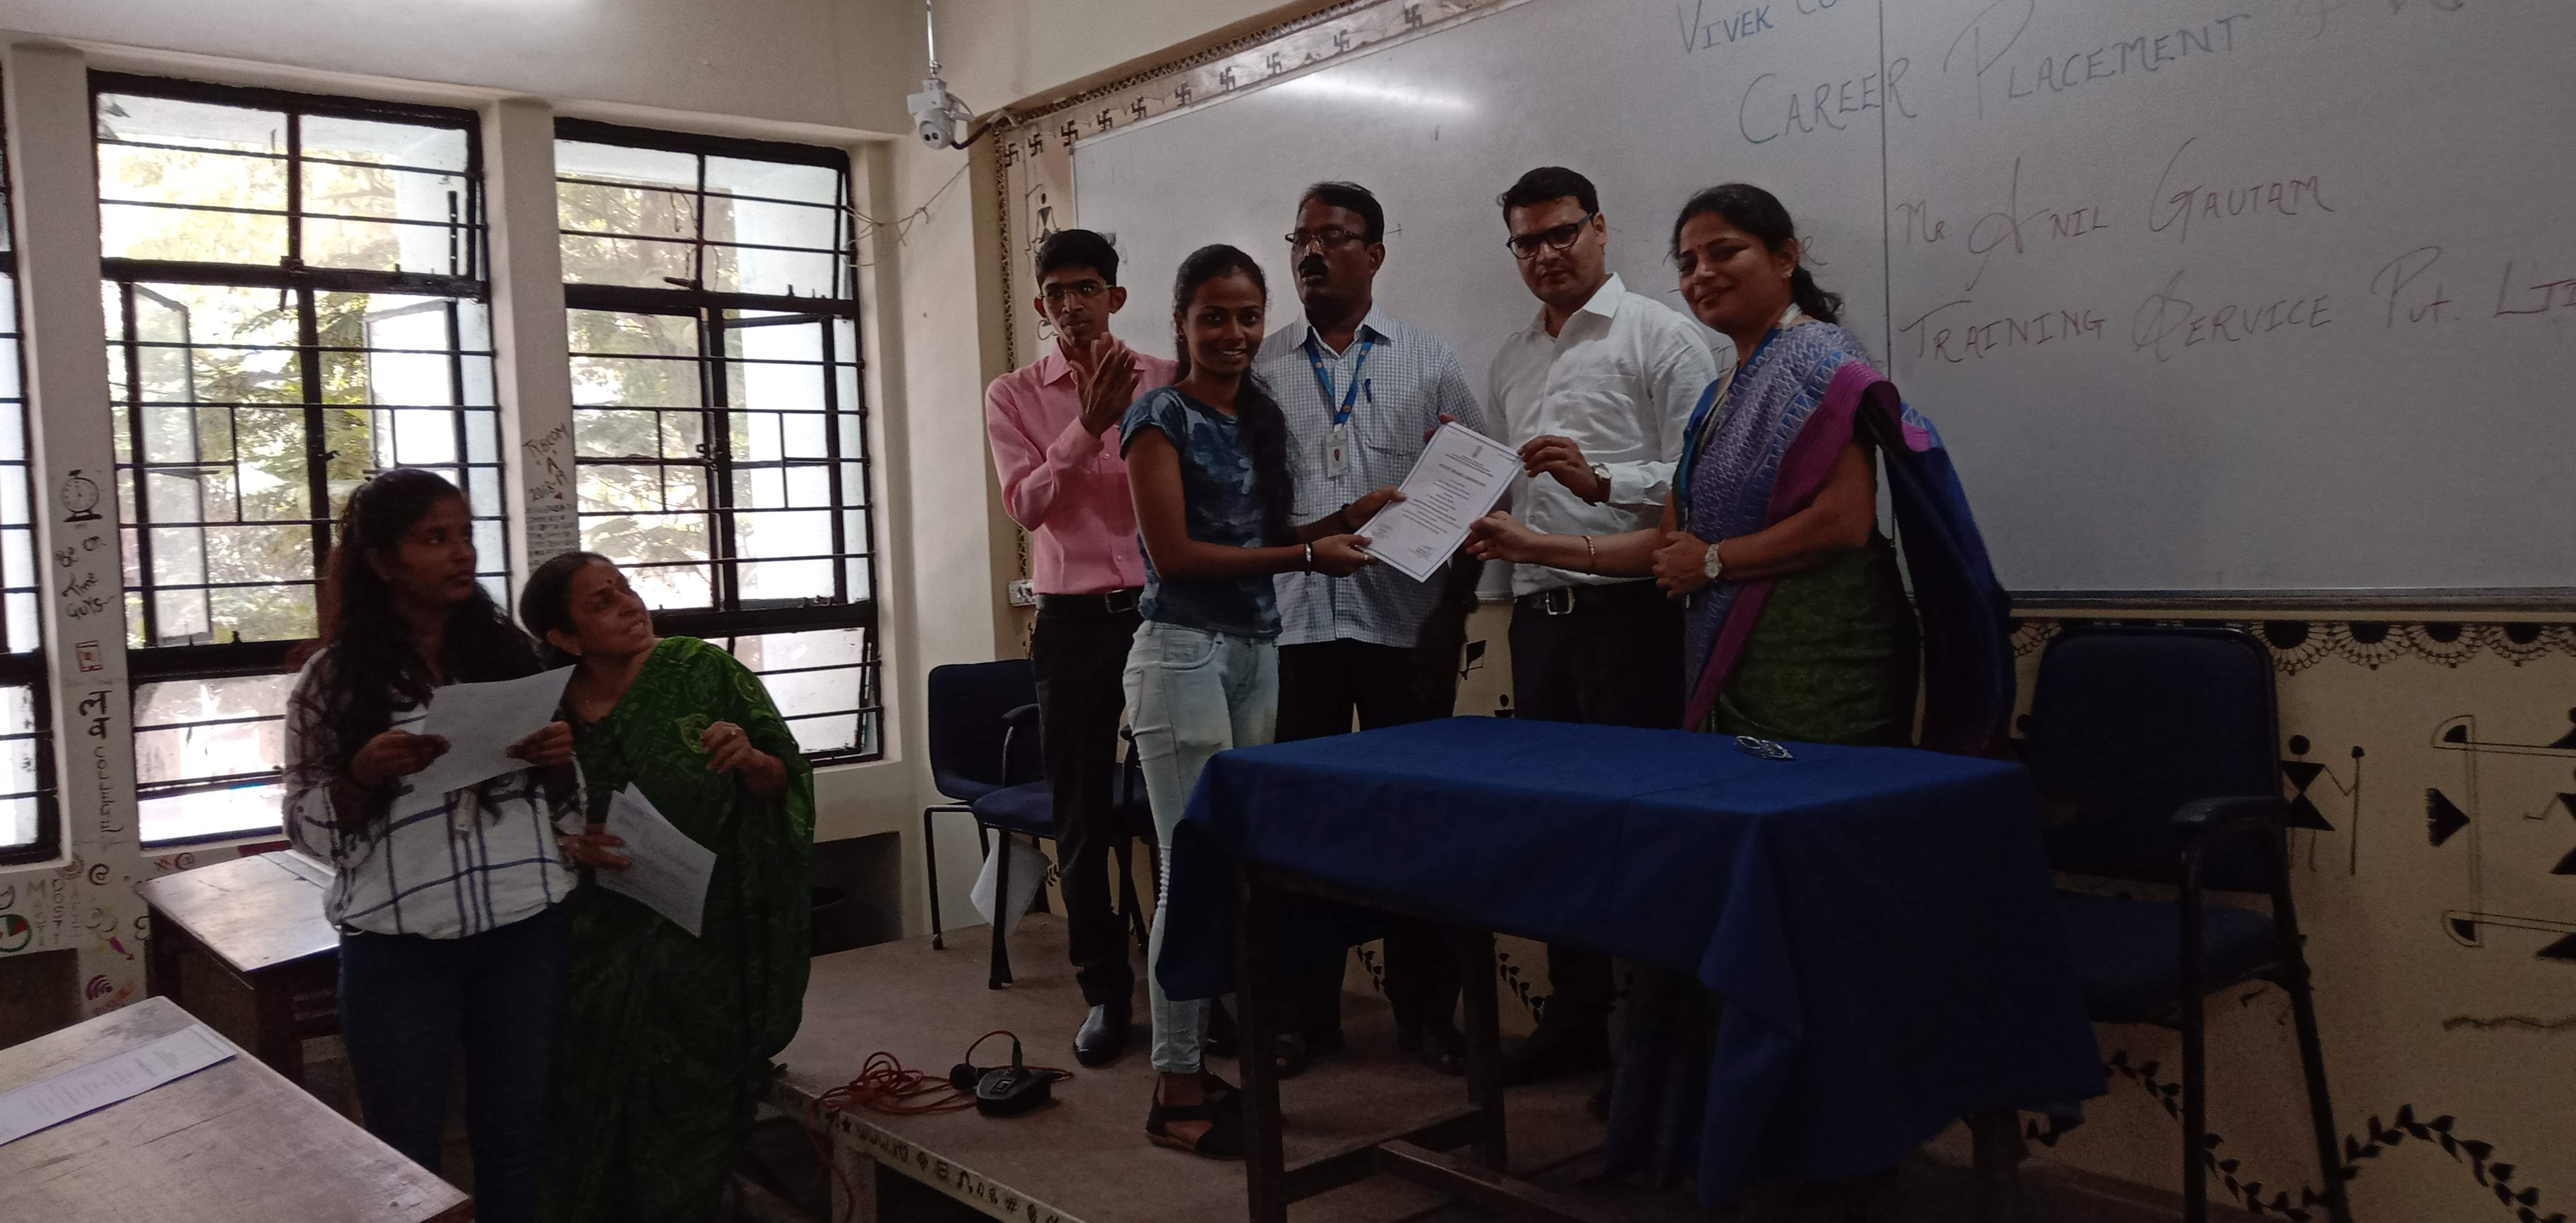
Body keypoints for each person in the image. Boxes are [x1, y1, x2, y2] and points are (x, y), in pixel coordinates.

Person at [1470, 182, 2012, 1187]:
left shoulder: (1818, 364)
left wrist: (1714, 564)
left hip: (1820, 665)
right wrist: (1534, 544)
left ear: (1785, 254)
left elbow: (1842, 523)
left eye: (1724, 252)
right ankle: (1740, 1129)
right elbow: (1665, 545)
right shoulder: (1727, 388)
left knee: (1806, 901)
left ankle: (1828, 1141)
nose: (1700, 274)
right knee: (1735, 901)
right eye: (1686, 260)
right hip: (1733, 663)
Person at [1123, 243, 1396, 1159]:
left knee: (1235, 868)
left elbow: (1261, 539)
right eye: (1214, 317)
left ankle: (1205, 1062)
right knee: (1186, 867)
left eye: (1248, 316)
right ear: (1181, 322)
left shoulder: (1258, 415)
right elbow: (1177, 556)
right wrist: (1310, 556)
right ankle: (1174, 1085)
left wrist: (1347, 519)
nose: (1234, 334)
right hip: (1181, 654)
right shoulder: (1158, 415)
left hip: (1254, 652)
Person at [282, 468, 579, 1223]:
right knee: (402, 1153)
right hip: (398, 946)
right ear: (382, 562)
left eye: (466, 535)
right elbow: (306, 830)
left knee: (515, 1136)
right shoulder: (331, 681)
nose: (462, 553)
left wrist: (555, 757)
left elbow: (567, 807)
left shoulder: (511, 656)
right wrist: (361, 774)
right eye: (435, 539)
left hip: (524, 925)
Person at [1484, 166, 1722, 1084]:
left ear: (1600, 229)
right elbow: (1515, 495)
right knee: (1557, 828)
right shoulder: (1511, 358)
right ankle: (1575, 1018)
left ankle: (1656, 1048)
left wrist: (1604, 480)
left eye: (1562, 233)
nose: (1545, 254)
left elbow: (1705, 482)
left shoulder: (1663, 336)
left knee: (1644, 828)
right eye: (1526, 242)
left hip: (1634, 615)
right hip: (1538, 617)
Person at [1254, 181, 1489, 1078]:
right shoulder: (1262, 367)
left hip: (1404, 631)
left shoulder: (1430, 363)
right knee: (1300, 830)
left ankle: (1427, 1017)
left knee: (1416, 827)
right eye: (1300, 238)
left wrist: (1453, 616)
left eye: (1334, 236)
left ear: (1376, 253)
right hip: (1293, 632)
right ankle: (1303, 1019)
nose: (1311, 253)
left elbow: (1479, 491)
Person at [522, 552, 816, 1222]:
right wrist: (567, 845)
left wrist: (752, 760)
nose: (629, 604)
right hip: (596, 939)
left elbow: (785, 779)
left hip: (704, 933)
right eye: (601, 602)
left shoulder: (702, 670)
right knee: (592, 1103)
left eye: (624, 588)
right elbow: (511, 814)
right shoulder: (547, 712)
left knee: (695, 1103)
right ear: (566, 638)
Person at [984, 228, 1180, 1066]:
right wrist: (1086, 428)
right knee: (1081, 814)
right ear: (1041, 305)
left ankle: (1190, 985)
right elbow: (1026, 507)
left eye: (1087, 288)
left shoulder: (1166, 380)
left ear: (1116, 298)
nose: (1072, 305)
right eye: (1057, 292)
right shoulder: (1014, 394)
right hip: (1070, 621)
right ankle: (1105, 990)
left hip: (1163, 611)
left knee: (1180, 806)